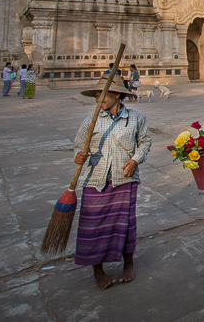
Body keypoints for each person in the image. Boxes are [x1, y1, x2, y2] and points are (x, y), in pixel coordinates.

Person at [73, 77, 150, 290]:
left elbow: (144, 143)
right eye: (96, 94)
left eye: (102, 94)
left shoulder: (135, 118)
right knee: (92, 227)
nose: (98, 98)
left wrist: (135, 160)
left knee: (125, 225)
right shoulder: (92, 120)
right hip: (96, 180)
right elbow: (79, 146)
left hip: (124, 178)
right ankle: (98, 270)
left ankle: (128, 263)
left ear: (116, 94)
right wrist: (79, 156)